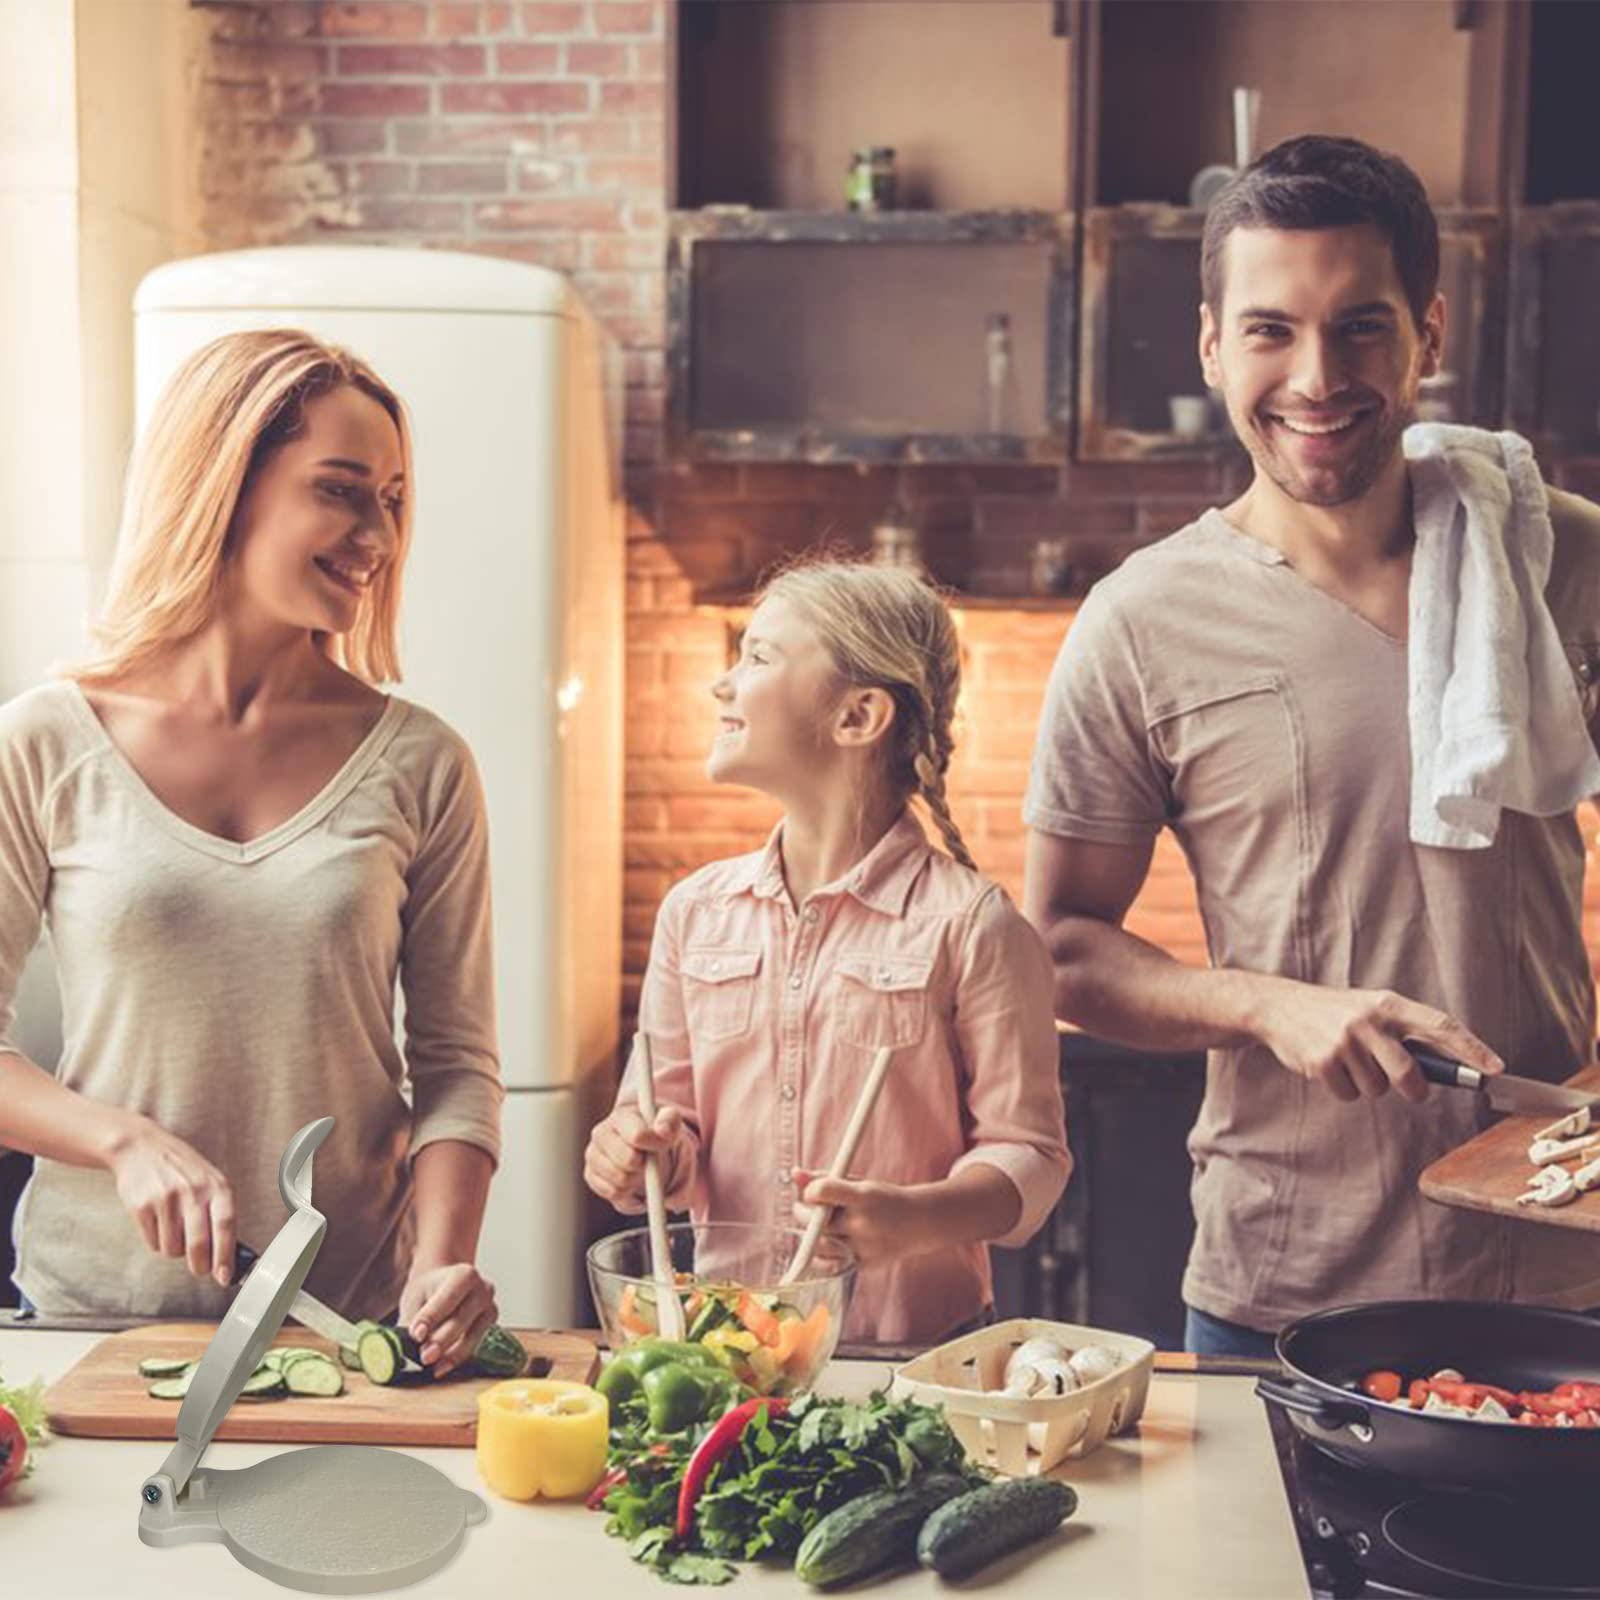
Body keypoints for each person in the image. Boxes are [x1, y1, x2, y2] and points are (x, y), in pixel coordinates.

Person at [1022, 135, 1600, 1358]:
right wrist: (1266, 1005)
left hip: (1564, 1265)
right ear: (1212, 347)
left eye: (1362, 328)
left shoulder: (1561, 562)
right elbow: (1061, 952)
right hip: (1286, 1279)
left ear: (1428, 335)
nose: (1316, 376)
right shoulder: (1142, 620)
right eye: (1271, 329)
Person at [0, 330, 504, 1376]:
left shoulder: (424, 762)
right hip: (93, 1322)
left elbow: (457, 1068)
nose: (379, 534)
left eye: (395, 499)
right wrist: (121, 1139)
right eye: (341, 490)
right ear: (224, 484)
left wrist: (443, 1261)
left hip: (348, 1327)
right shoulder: (44, 740)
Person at [583, 560, 1070, 1342]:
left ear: (858, 716)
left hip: (914, 1353)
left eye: (760, 657)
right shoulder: (695, 914)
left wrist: (916, 1218)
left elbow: (1033, 1159)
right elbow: (667, 1134)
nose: (723, 684)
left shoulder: (973, 925)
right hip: (728, 1343)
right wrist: (640, 1152)